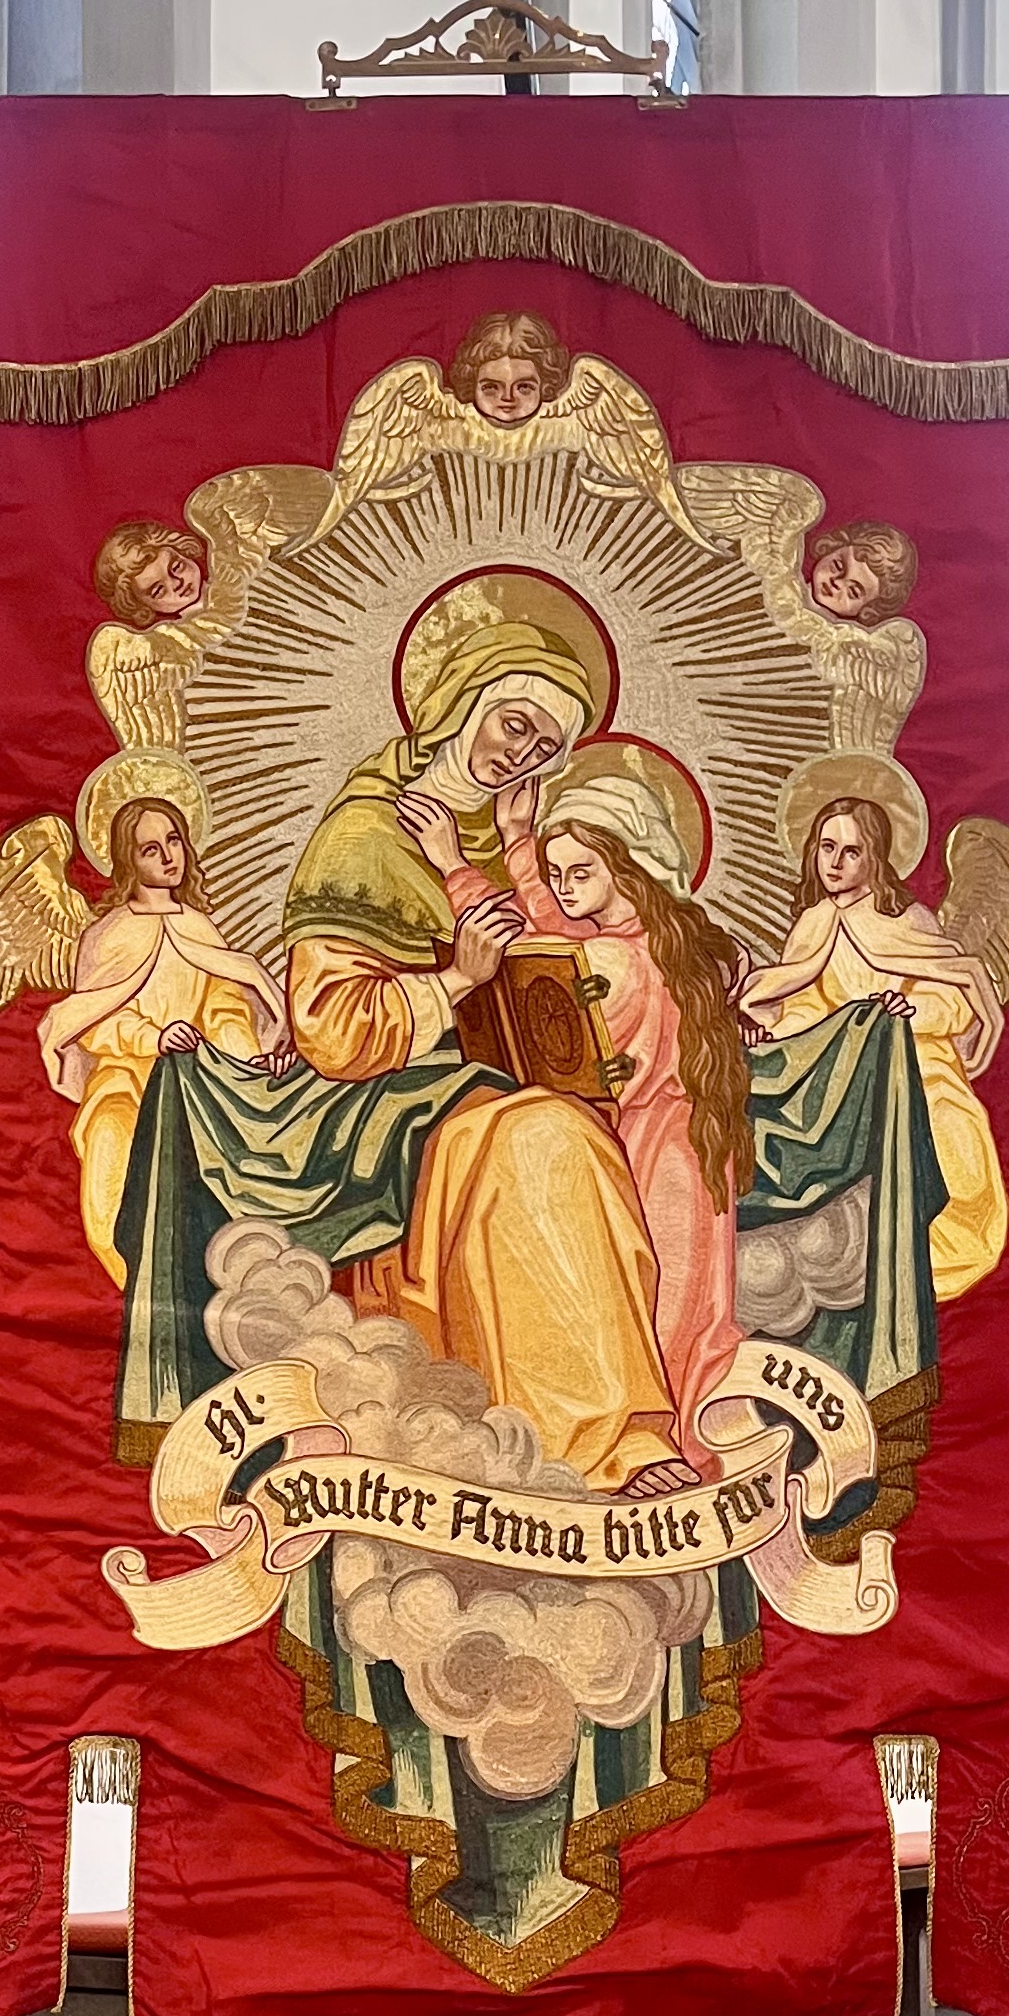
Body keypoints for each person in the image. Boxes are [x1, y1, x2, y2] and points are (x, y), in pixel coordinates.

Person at [272, 605, 687, 1493]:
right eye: (515, 722)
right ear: (467, 700)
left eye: (544, 743)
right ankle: (598, 1447)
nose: (521, 751)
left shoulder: (518, 852)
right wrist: (456, 982)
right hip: (388, 1121)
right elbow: (331, 1030)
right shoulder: (367, 838)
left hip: (496, 1100)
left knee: (563, 1134)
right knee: (543, 1141)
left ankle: (607, 1438)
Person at [537, 775, 752, 1451]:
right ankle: (699, 1453)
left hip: (638, 1151)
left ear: (626, 866)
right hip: (694, 1148)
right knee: (695, 1317)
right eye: (554, 874)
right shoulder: (690, 947)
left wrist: (466, 871)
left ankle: (660, 1463)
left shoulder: (607, 960)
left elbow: (546, 979)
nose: (564, 888)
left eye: (580, 871)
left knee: (644, 1315)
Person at [743, 787, 1009, 1298]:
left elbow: (954, 1000)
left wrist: (910, 1014)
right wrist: (773, 1030)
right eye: (826, 848)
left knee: (950, 1132)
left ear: (875, 856)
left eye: (851, 851)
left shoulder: (906, 921)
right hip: (839, 1067)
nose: (835, 863)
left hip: (916, 1063)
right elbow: (805, 1007)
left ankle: (931, 1251)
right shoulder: (813, 925)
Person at [37, 783, 291, 1280]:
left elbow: (225, 1004)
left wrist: (244, 1057)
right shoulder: (108, 934)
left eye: (174, 840)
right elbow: (96, 1019)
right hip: (126, 1085)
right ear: (130, 862)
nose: (168, 856)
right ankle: (138, 1290)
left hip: (202, 1081)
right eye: (151, 849)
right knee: (110, 1171)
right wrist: (154, 1038)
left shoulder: (198, 927)